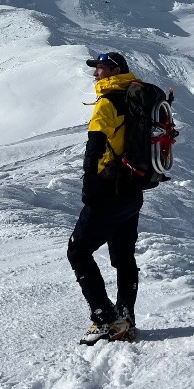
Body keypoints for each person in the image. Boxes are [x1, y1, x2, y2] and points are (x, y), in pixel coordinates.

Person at [67, 51, 143, 345]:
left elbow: (94, 147)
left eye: (98, 69)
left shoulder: (108, 103)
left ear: (113, 70)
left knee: (78, 251)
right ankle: (126, 319)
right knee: (123, 256)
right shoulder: (137, 98)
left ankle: (105, 320)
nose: (94, 74)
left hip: (109, 189)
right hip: (133, 189)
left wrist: (90, 187)